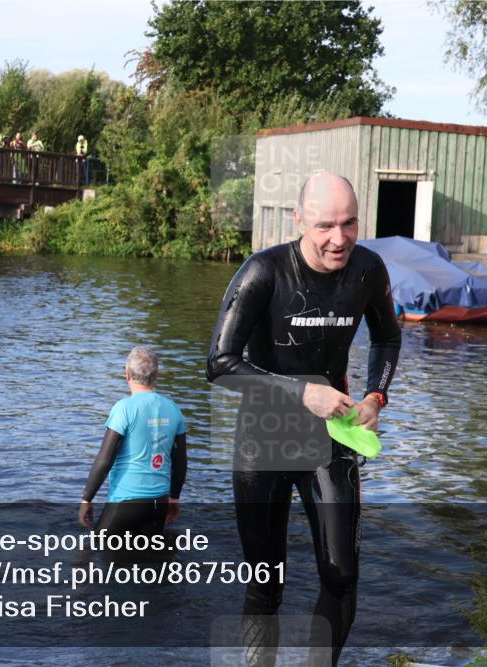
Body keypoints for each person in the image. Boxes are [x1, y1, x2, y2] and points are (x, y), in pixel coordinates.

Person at [206, 171, 401, 666]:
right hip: (263, 442)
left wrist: (375, 397)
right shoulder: (263, 272)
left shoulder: (368, 271)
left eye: (349, 224)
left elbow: (387, 338)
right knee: (265, 584)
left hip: (333, 437)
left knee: (341, 574)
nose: (339, 239)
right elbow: (219, 364)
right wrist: (301, 392)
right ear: (299, 221)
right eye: (324, 226)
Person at [79, 347, 187, 539]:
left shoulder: (124, 409)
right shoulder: (174, 409)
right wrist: (174, 498)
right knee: (151, 562)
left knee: (91, 552)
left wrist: (86, 499)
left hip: (125, 502)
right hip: (159, 504)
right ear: (157, 374)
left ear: (127, 374)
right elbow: (180, 462)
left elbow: (105, 460)